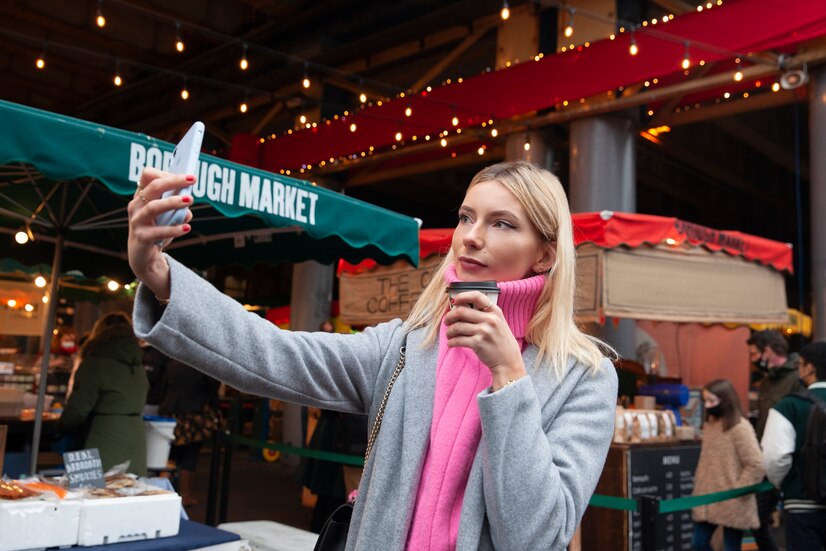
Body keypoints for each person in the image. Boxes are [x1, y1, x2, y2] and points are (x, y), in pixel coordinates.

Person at [128, 161, 618, 549]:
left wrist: (509, 376)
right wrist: (156, 273)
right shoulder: (410, 345)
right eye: (467, 217)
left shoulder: (584, 377)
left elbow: (537, 536)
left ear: (546, 254)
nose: (471, 235)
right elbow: (274, 353)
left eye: (502, 223)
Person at [55, 312, 149, 475]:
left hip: (97, 442)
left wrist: (58, 428)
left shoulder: (94, 364)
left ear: (98, 334)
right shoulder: (137, 365)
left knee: (87, 495)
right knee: (130, 494)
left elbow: (76, 411)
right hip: (135, 443)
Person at [762, 341, 826, 550]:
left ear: (809, 368)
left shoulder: (788, 405)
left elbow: (774, 458)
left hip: (801, 505)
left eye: (800, 364)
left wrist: (786, 484)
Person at [747, 329, 804, 550]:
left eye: (753, 354)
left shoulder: (797, 376)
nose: (752, 360)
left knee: (793, 522)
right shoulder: (768, 381)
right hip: (768, 459)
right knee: (756, 518)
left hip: (792, 461)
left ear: (767, 351)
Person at [691, 379, 764, 550]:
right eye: (706, 400)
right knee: (699, 543)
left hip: (732, 500)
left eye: (712, 401)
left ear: (725, 400)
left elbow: (756, 464)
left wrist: (739, 491)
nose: (708, 405)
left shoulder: (740, 428)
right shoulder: (710, 426)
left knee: (731, 546)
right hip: (708, 497)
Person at [147, 347, 221, 506]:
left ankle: (161, 492)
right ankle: (185, 495)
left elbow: (162, 387)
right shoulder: (203, 364)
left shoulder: (172, 361)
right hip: (194, 415)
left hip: (170, 412)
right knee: (190, 455)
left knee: (169, 453)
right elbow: (212, 389)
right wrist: (215, 407)